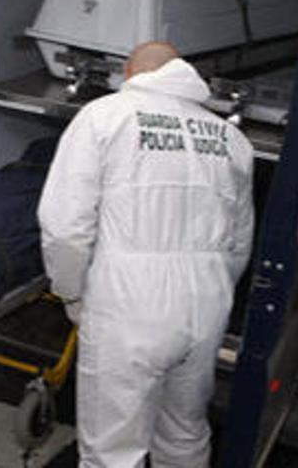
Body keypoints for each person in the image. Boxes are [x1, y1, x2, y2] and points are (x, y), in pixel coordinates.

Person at [38, 41, 254, 467]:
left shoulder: (104, 117)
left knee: (112, 450)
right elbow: (239, 240)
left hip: (128, 300)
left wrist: (71, 292)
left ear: (131, 74)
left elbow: (66, 226)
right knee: (184, 433)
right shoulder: (232, 138)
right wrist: (212, 287)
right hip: (207, 301)